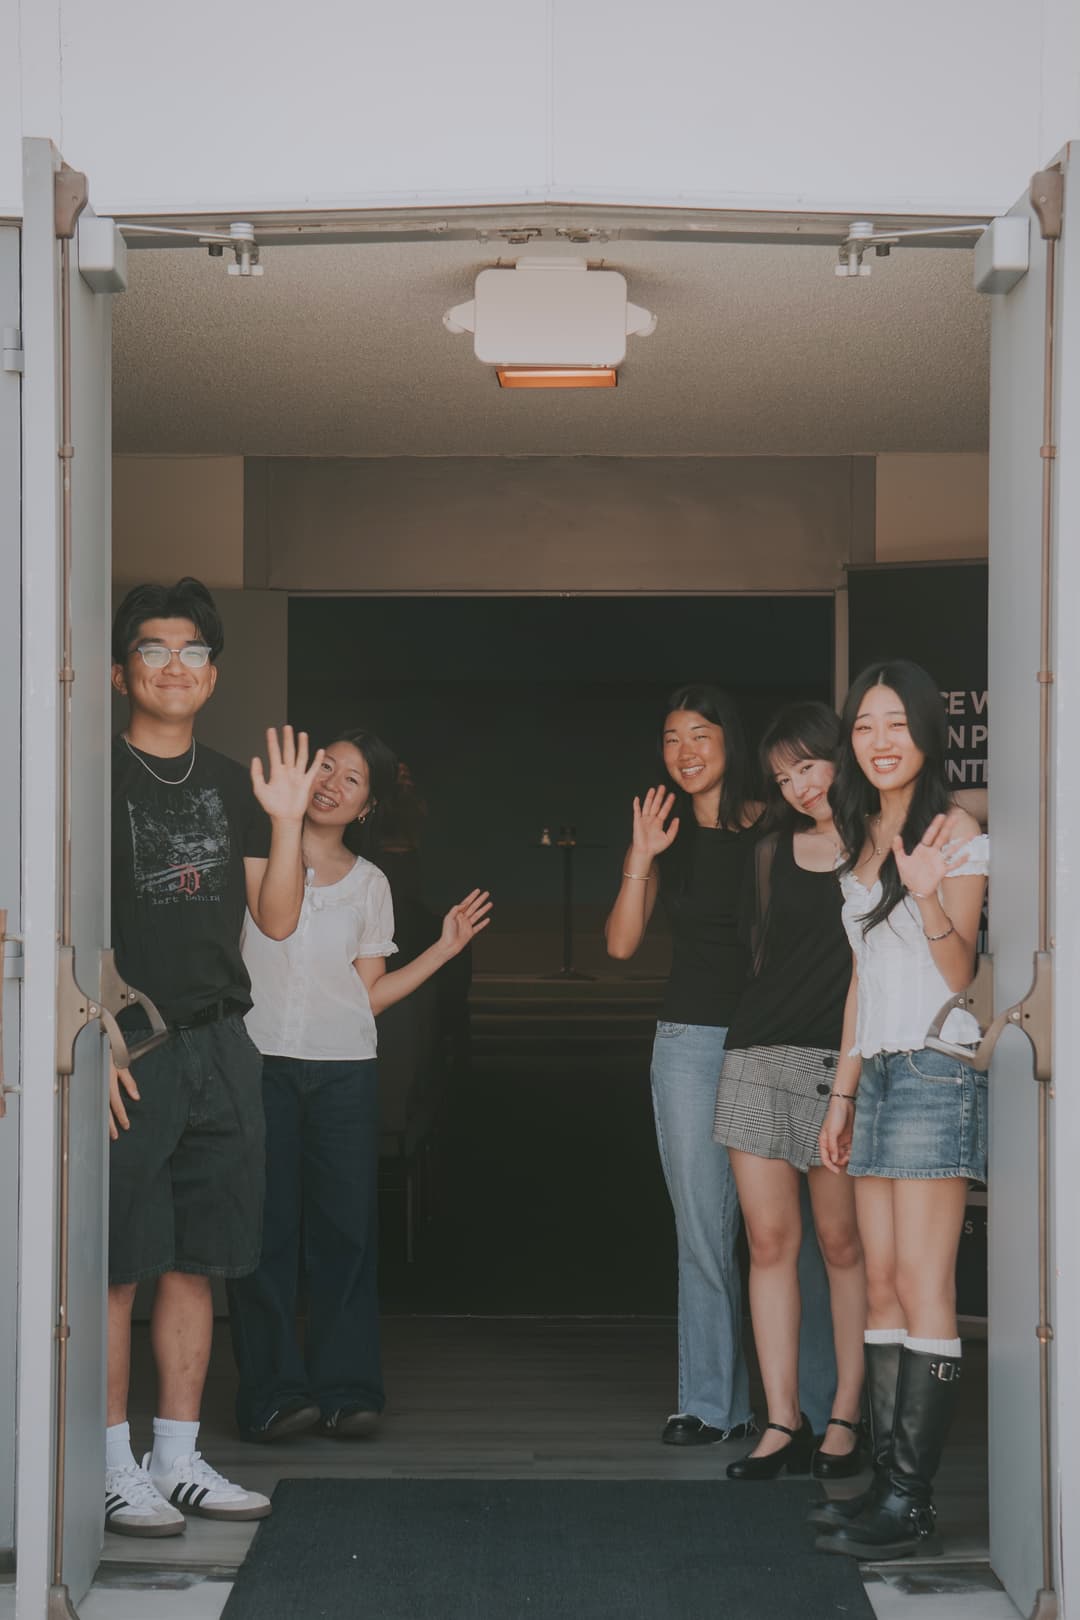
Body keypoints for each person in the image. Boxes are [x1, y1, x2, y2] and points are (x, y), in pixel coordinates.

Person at [105, 577, 322, 1538]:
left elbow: (274, 922)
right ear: (121, 673)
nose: (174, 665)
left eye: (191, 650)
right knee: (119, 1262)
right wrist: (84, 1031)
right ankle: (111, 1466)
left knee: (198, 1259)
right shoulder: (87, 775)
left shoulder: (237, 781)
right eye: (154, 649)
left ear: (213, 672)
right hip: (127, 1047)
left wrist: (283, 820)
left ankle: (177, 1457)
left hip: (222, 1044)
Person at [228, 728, 491, 1441]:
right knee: (264, 1233)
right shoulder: (258, 855)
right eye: (326, 768)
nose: (332, 784)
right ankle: (274, 1394)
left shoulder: (371, 883)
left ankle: (346, 1388)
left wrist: (443, 948)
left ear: (367, 807)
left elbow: (368, 994)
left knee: (345, 1232)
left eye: (352, 780)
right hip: (260, 1059)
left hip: (344, 1067)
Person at [605, 684, 835, 1446]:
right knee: (703, 1228)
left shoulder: (781, 822)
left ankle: (812, 1405)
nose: (685, 751)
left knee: (794, 1235)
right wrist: (642, 856)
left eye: (700, 734)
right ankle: (710, 1402)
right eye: (671, 738)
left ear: (730, 743)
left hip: (783, 1038)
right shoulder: (667, 832)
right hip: (692, 1045)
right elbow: (620, 946)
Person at [815, 659, 988, 1561]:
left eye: (896, 724)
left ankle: (912, 1503)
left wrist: (925, 897)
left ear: (927, 733)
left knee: (925, 1287)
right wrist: (840, 1092)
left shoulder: (953, 833)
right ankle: (885, 1485)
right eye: (865, 727)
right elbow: (860, 982)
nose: (880, 742)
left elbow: (959, 975)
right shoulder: (862, 834)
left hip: (932, 1065)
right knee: (880, 1284)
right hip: (877, 1070)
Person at [713, 702, 866, 1480]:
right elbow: (759, 954)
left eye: (809, 764)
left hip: (842, 1067)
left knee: (843, 1245)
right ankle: (783, 1421)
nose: (799, 785)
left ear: (842, 754)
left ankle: (845, 1415)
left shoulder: (885, 847)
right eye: (783, 776)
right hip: (757, 1054)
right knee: (770, 1245)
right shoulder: (772, 850)